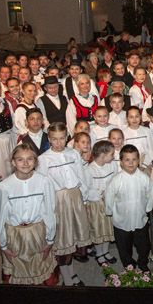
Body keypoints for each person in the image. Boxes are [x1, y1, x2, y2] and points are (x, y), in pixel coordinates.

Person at [0, 144, 58, 285]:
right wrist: (3, 246)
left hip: (37, 232)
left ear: (36, 161)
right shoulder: (3, 187)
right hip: (15, 235)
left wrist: (50, 240)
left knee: (41, 269)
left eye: (30, 159)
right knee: (18, 272)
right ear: (13, 162)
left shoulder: (44, 182)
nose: (25, 163)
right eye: (20, 159)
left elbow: (50, 211)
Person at [39, 122, 91, 286]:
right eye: (54, 139)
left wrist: (84, 198)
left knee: (74, 238)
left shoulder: (73, 154)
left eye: (62, 138)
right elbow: (43, 186)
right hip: (58, 201)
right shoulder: (44, 159)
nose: (58, 142)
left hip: (75, 197)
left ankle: (72, 272)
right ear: (49, 139)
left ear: (67, 137)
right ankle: (67, 277)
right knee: (63, 239)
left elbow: (81, 177)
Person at [105, 145, 153, 271]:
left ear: (138, 161)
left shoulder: (144, 178)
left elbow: (150, 194)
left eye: (134, 159)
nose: (131, 163)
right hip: (122, 221)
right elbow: (109, 197)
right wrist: (109, 211)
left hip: (140, 219)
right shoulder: (116, 180)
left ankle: (143, 263)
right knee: (124, 247)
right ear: (121, 162)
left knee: (144, 246)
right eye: (127, 160)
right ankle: (129, 265)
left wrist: (148, 209)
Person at [83, 140, 118, 266]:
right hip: (96, 204)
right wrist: (99, 194)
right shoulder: (89, 170)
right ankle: (99, 253)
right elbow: (85, 190)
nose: (113, 156)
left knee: (108, 228)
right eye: (111, 154)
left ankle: (106, 251)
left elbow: (115, 180)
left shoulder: (112, 165)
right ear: (103, 155)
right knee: (98, 229)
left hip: (109, 202)